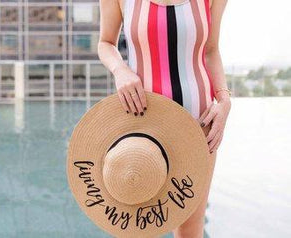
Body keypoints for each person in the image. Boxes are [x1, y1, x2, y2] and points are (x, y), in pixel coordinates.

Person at [97, 0, 231, 237]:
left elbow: (211, 51)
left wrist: (224, 100)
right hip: (140, 120)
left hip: (198, 121)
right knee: (136, 226)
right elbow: (106, 43)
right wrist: (120, 70)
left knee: (190, 227)